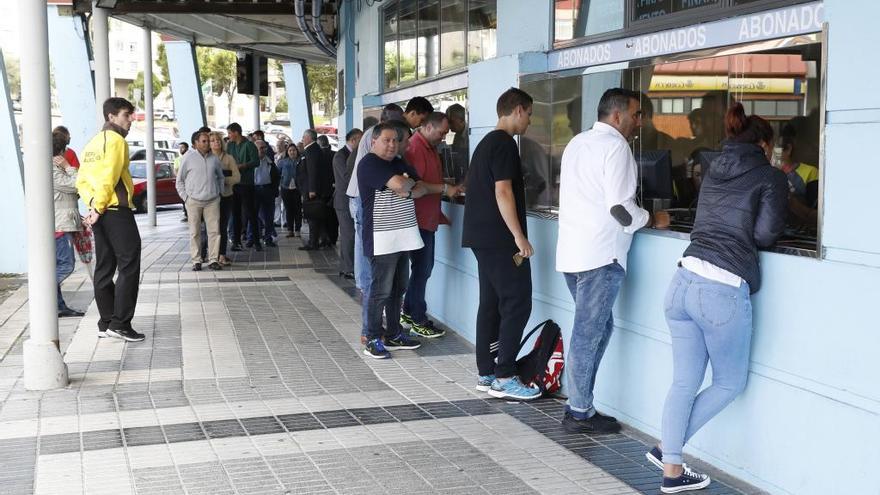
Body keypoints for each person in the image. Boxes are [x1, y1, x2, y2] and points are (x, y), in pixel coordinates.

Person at [645, 103, 788, 494]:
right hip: (721, 290)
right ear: (763, 144)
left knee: (683, 383)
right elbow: (764, 236)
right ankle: (667, 451)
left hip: (682, 280)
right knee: (728, 383)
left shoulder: (712, 168)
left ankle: (671, 469)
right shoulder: (769, 177)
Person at [556, 88, 659, 433]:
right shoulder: (616, 147)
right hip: (601, 255)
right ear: (617, 116)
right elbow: (621, 210)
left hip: (573, 253)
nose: (640, 121)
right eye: (637, 114)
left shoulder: (578, 143)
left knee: (599, 328)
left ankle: (581, 404)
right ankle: (579, 411)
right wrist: (652, 218)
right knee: (588, 333)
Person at [462, 88, 538, 401]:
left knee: (491, 303)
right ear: (518, 110)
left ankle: (487, 372)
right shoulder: (505, 144)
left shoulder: (486, 143)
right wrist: (519, 236)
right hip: (500, 238)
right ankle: (505, 375)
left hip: (482, 237)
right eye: (530, 114)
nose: (530, 122)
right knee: (518, 301)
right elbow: (502, 192)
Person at [76, 97, 145, 342]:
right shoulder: (116, 141)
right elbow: (109, 176)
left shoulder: (92, 143)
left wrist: (94, 205)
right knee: (129, 263)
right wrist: (101, 204)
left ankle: (106, 321)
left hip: (101, 211)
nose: (131, 121)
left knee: (104, 266)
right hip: (116, 211)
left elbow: (81, 180)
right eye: (126, 115)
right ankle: (120, 324)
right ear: (111, 117)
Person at [357, 122, 427, 359]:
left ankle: (394, 334)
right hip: (381, 238)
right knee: (380, 291)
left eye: (396, 140)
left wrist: (404, 186)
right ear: (373, 141)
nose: (392, 144)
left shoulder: (398, 162)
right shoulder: (369, 163)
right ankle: (373, 336)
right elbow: (402, 183)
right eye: (386, 140)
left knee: (399, 288)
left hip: (403, 237)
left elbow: (420, 187)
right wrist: (403, 184)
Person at [401, 112, 463, 338]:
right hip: (417, 221)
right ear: (427, 127)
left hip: (427, 219)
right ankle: (419, 319)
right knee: (422, 270)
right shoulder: (416, 148)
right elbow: (417, 185)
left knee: (421, 270)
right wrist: (445, 189)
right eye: (442, 132)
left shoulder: (429, 148)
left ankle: (408, 312)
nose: (444, 137)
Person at [176, 130, 225, 271]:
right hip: (194, 201)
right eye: (204, 141)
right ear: (196, 143)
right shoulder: (187, 158)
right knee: (195, 232)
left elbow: (221, 177)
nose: (207, 144)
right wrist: (186, 198)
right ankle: (196, 260)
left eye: (208, 141)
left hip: (212, 200)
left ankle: (213, 260)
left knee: (214, 231)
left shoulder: (214, 158)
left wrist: (219, 192)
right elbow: (179, 181)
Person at [52, 130, 84, 318]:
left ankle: (58, 306)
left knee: (59, 264)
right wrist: (68, 166)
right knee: (66, 265)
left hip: (61, 222)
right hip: (60, 225)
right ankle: (44, 294)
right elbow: (76, 184)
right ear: (62, 150)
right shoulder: (53, 168)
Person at [226, 123, 262, 252]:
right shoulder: (229, 146)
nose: (228, 136)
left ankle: (257, 241)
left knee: (251, 213)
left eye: (230, 133)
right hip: (234, 184)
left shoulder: (249, 145)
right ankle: (236, 241)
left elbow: (256, 161)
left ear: (236, 133)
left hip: (246, 184)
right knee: (235, 214)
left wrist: (243, 166)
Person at [332, 128, 363, 278]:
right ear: (353, 140)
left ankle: (349, 267)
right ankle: (348, 268)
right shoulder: (340, 156)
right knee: (348, 235)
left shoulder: (354, 155)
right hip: (343, 202)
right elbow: (346, 177)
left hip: (352, 200)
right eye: (360, 139)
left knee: (351, 235)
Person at [209, 131, 240, 266]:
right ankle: (210, 254)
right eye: (213, 140)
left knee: (222, 226)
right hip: (210, 197)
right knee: (211, 227)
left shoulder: (229, 158)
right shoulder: (207, 158)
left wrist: (223, 180)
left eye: (218, 140)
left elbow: (237, 177)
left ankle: (221, 254)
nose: (216, 142)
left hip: (226, 196)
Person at [300, 129, 333, 250]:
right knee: (318, 215)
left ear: (309, 138)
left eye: (304, 136)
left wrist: (312, 189)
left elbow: (312, 171)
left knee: (312, 216)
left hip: (312, 190)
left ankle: (313, 242)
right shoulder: (313, 149)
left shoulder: (312, 150)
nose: (302, 139)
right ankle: (325, 239)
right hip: (313, 188)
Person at [253, 139, 280, 247]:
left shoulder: (269, 162)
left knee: (269, 216)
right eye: (261, 148)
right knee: (255, 216)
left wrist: (274, 190)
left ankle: (268, 238)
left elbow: (276, 177)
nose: (263, 150)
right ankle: (254, 239)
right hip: (255, 191)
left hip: (268, 190)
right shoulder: (251, 161)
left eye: (265, 147)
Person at [278, 144, 303, 238]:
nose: (292, 152)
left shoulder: (301, 161)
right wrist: (280, 184)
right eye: (290, 150)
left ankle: (297, 230)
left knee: (297, 209)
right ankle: (290, 230)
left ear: (297, 151)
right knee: (289, 209)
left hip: (298, 189)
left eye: (294, 150)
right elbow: (278, 174)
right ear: (287, 152)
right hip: (285, 188)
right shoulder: (282, 162)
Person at [318, 134, 339, 247]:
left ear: (319, 143)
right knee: (333, 217)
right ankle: (333, 238)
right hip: (334, 190)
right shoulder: (335, 155)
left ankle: (324, 238)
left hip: (321, 191)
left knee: (322, 216)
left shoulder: (318, 156)